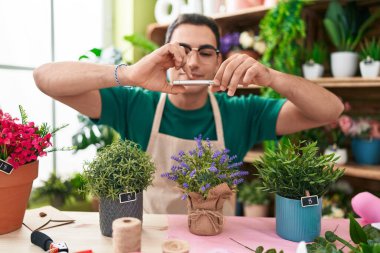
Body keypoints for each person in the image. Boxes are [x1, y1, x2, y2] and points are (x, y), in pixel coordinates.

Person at [34, 14, 344, 214]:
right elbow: (45, 77)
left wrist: (273, 78)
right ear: (165, 56)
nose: (193, 63)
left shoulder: (243, 111)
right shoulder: (134, 103)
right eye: (181, 50)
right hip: (150, 239)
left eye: (206, 52)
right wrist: (128, 74)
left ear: (219, 60)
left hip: (216, 240)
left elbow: (331, 110)